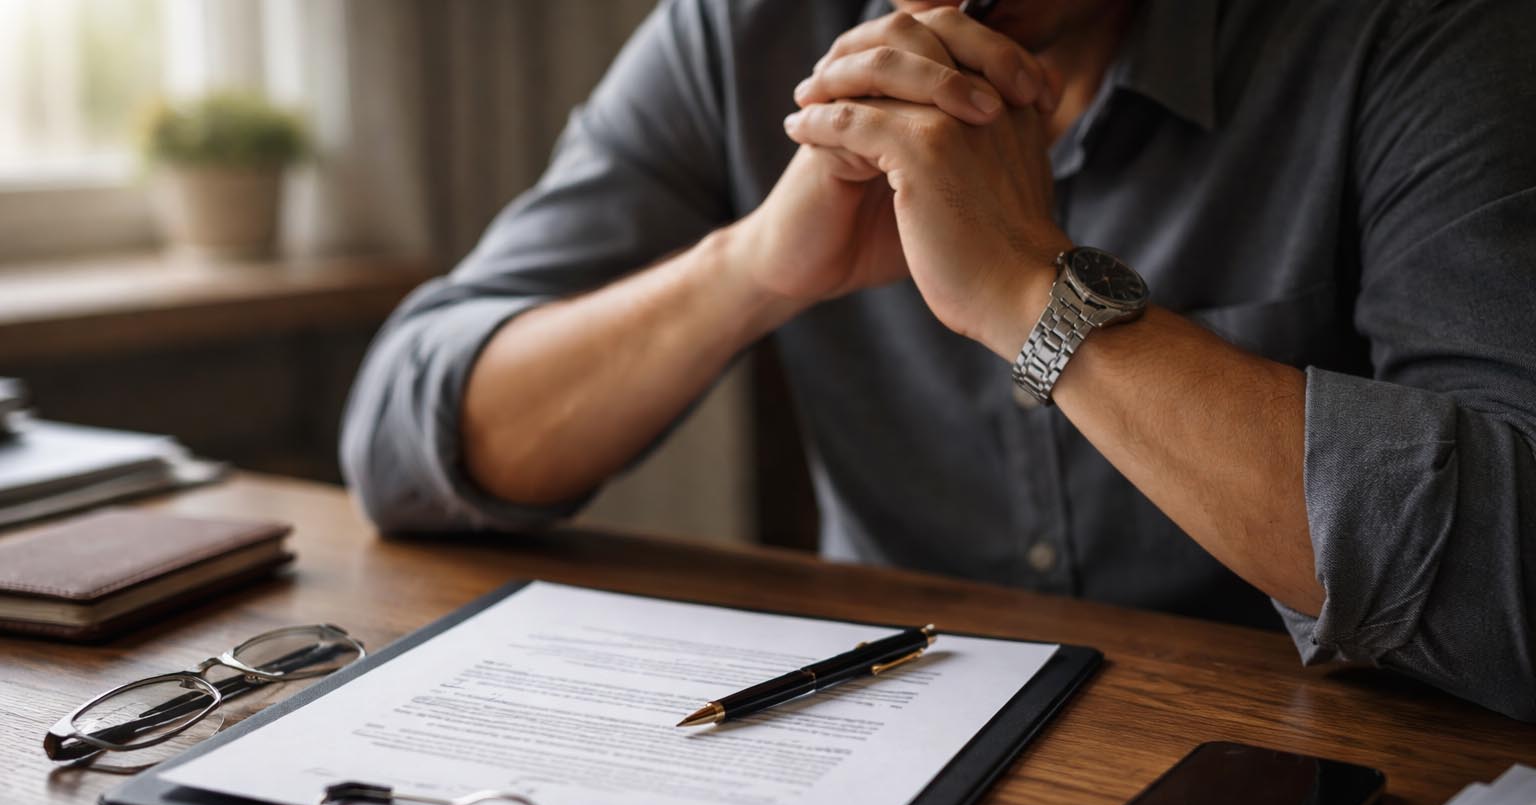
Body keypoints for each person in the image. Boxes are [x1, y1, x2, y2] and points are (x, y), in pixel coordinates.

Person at [340, 0, 1536, 722]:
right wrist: (755, 267)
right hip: (867, 745)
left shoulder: (1414, 35)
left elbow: (1515, 579)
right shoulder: (741, 31)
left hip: (1316, 784)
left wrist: (1033, 293)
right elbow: (403, 439)